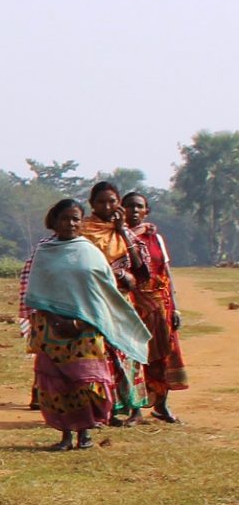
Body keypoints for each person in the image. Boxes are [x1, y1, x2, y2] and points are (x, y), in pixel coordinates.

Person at [22, 200, 153, 450]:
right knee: (56, 384)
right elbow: (37, 292)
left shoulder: (91, 252)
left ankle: (85, 433)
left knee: (86, 382)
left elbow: (103, 292)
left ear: (82, 222)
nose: (70, 224)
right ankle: (65, 435)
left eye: (75, 219)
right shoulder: (45, 252)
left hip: (86, 328)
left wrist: (81, 320)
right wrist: (57, 319)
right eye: (65, 218)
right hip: (51, 328)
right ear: (54, 221)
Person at [76, 182, 149, 424]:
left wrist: (122, 230)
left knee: (128, 352)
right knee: (100, 355)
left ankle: (135, 408)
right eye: (101, 202)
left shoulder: (127, 231)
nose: (107, 206)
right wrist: (112, 274)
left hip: (122, 301)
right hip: (94, 301)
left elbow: (140, 268)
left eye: (112, 201)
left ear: (119, 203)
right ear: (92, 205)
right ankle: (108, 409)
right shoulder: (83, 231)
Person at [121, 191, 186, 422]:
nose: (134, 211)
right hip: (130, 305)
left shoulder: (155, 238)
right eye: (129, 206)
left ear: (146, 211)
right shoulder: (117, 238)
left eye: (139, 206)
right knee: (132, 357)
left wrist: (175, 308)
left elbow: (166, 273)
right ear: (121, 210)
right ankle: (135, 409)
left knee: (162, 356)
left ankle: (161, 405)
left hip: (160, 307)